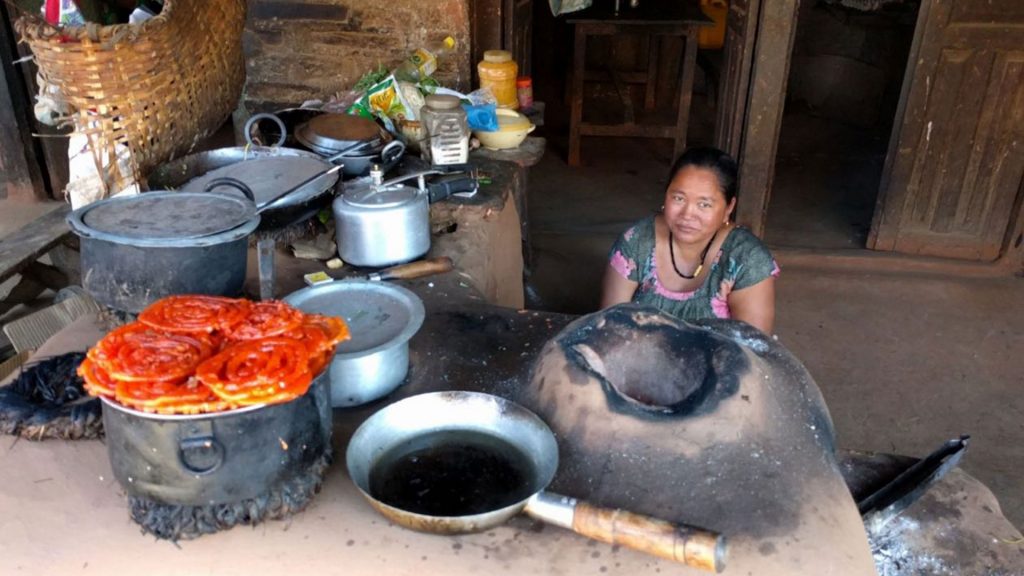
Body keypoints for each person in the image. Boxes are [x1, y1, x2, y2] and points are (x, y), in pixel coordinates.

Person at [600, 147, 779, 334]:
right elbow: (609, 328)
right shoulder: (636, 242)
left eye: (704, 204)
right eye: (678, 198)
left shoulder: (747, 259)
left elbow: (751, 350)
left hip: (719, 361)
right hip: (640, 357)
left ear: (729, 207)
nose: (687, 214)